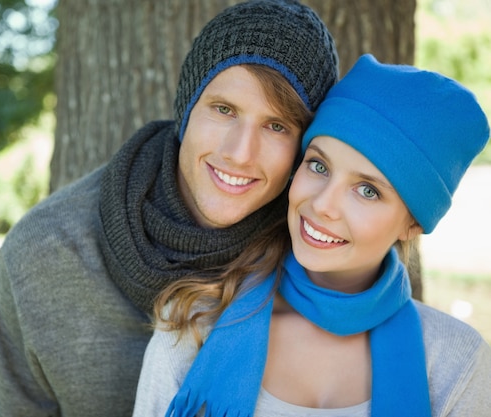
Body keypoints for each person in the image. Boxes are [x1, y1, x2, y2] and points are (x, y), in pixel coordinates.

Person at [0, 0, 339, 415]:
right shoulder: (46, 253)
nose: (240, 153)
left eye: (276, 126)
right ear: (187, 108)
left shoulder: (325, 258)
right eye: (224, 109)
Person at [133, 54, 491, 417]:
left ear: (412, 224)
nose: (322, 205)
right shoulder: (194, 325)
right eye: (319, 166)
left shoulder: (455, 361)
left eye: (367, 191)